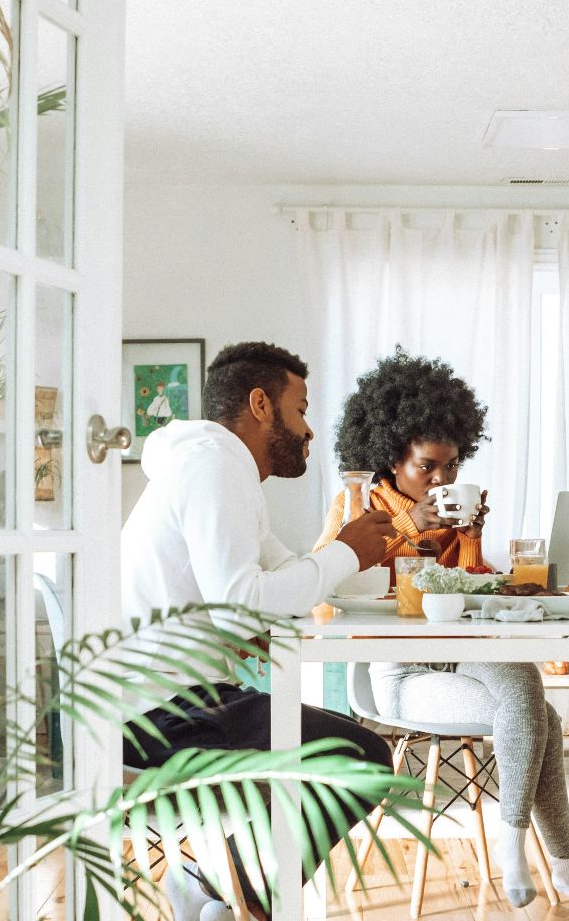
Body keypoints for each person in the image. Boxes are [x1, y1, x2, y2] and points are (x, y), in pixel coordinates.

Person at [312, 350, 569, 909]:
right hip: (398, 671)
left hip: (461, 653)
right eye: (427, 466)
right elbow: (325, 579)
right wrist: (408, 525)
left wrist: (472, 536)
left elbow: (465, 589)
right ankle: (556, 862)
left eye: (451, 466)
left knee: (526, 687)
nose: (441, 479)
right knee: (539, 713)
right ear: (390, 456)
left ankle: (518, 847)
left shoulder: (453, 509)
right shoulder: (356, 505)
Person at [121, 341, 398, 920]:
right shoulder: (214, 465)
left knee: (350, 750)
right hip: (157, 716)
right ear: (260, 404)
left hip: (175, 699)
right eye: (301, 410)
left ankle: (211, 884)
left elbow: (282, 578)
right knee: (361, 756)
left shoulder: (218, 468)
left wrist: (347, 556)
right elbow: (245, 603)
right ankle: (234, 897)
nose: (309, 431)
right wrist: (346, 550)